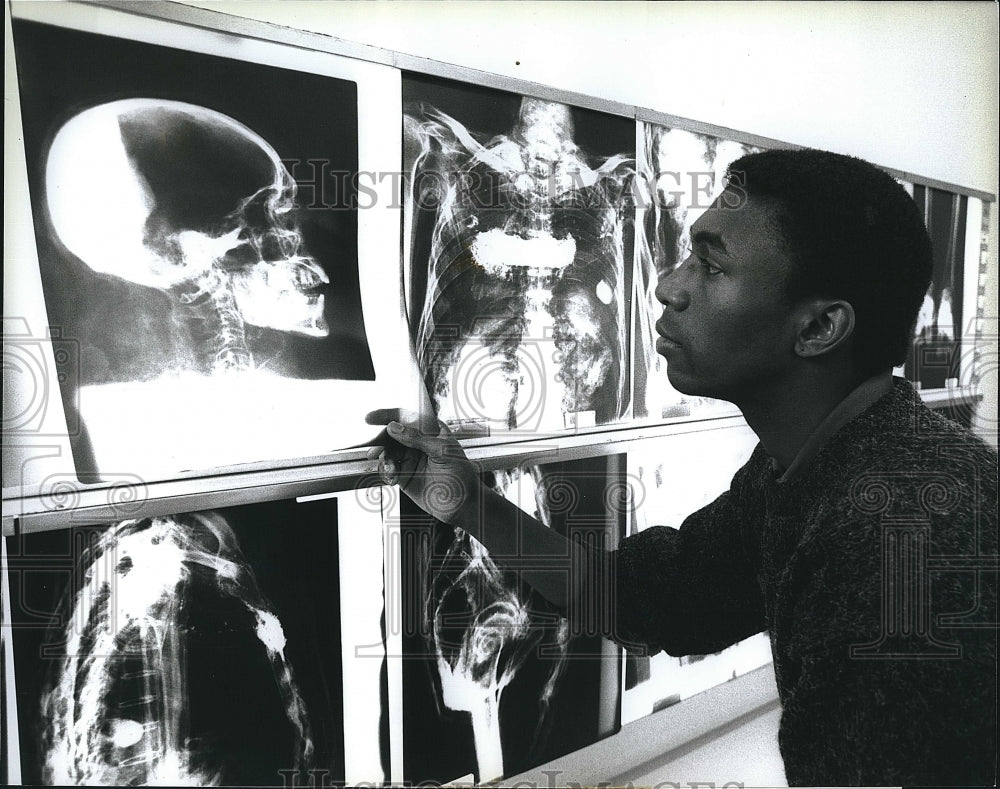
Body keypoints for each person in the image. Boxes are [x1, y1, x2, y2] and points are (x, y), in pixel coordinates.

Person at [369, 149, 997, 786]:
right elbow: (649, 601)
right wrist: (469, 503)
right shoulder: (811, 463)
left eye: (711, 265)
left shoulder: (901, 538)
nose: (668, 285)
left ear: (819, 327)